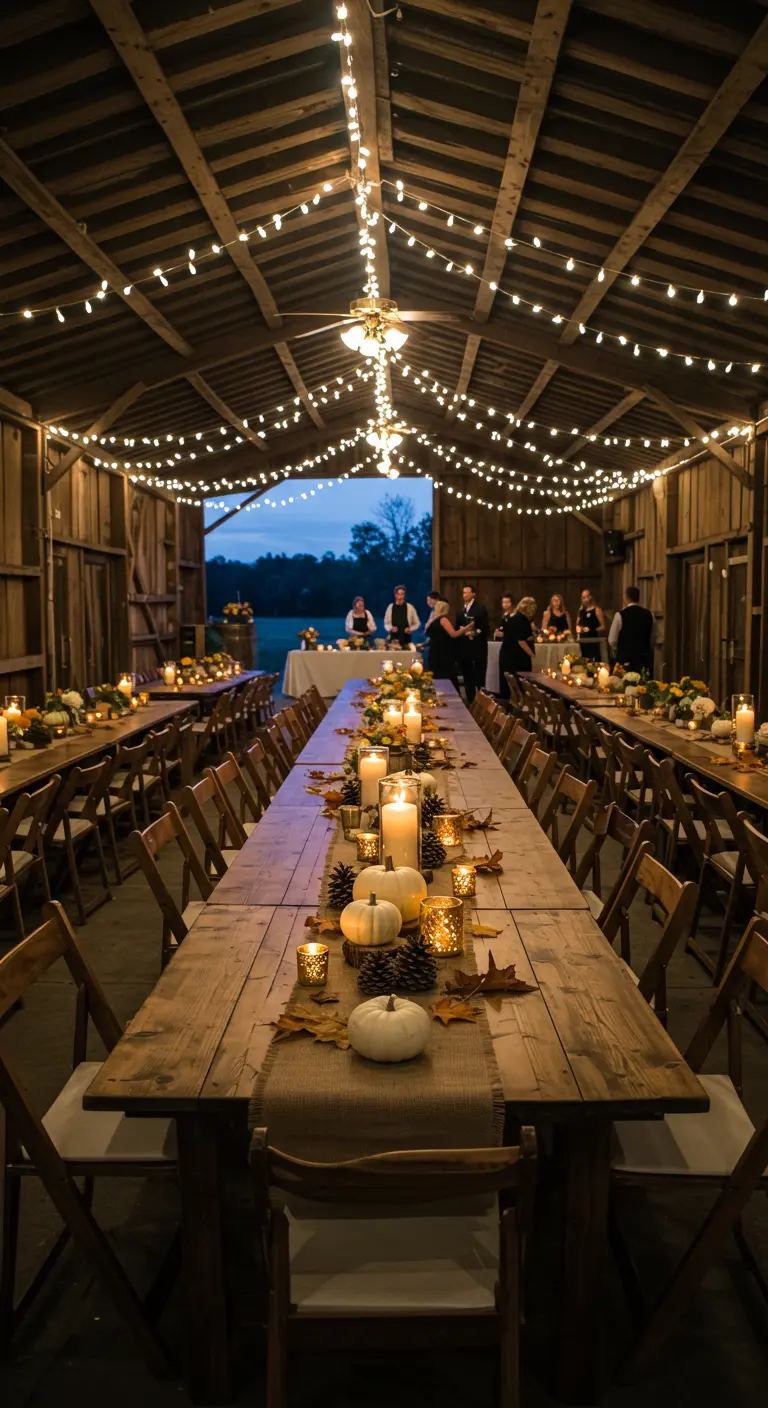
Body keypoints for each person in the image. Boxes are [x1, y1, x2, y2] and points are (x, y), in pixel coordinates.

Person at [608, 585, 655, 673]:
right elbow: (653, 638)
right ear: (638, 598)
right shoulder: (650, 615)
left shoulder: (620, 615)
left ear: (625, 598)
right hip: (644, 659)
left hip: (625, 660)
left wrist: (619, 651)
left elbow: (612, 640)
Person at [424, 599, 471, 688]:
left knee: (436, 678)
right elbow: (453, 634)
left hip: (434, 653)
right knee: (448, 677)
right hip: (443, 654)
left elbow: (428, 633)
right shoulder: (443, 619)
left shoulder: (434, 621)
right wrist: (466, 628)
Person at [456, 583, 490, 703]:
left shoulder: (480, 609)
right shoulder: (460, 612)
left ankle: (482, 703)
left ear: (473, 594)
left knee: (479, 676)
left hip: (477, 648)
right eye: (463, 593)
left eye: (467, 592)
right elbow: (457, 628)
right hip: (465, 648)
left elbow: (485, 628)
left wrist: (475, 632)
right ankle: (470, 702)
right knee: (467, 677)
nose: (465, 595)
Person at [498, 596, 537, 690]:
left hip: (506, 655)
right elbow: (521, 640)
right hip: (516, 658)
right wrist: (532, 655)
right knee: (519, 685)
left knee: (508, 686)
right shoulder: (522, 620)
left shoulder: (513, 618)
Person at [575, 588, 607, 662]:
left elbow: (603, 626)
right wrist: (579, 628)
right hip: (582, 642)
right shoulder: (581, 611)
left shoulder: (597, 610)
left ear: (591, 597)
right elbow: (577, 624)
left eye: (587, 596)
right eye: (583, 597)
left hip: (593, 641)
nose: (585, 599)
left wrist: (592, 629)